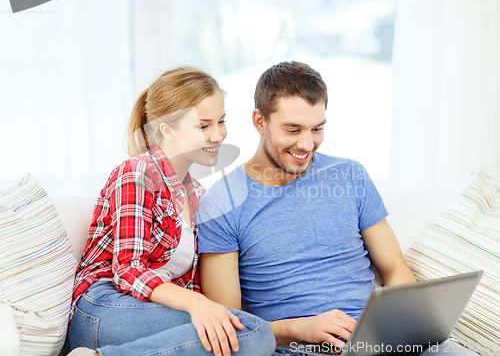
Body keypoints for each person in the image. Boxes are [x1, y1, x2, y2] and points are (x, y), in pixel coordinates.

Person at [196, 61, 477, 355]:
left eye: (317, 128)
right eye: (293, 129)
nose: (306, 144)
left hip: (380, 342)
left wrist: (398, 324)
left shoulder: (350, 175)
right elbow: (229, 325)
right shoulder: (221, 203)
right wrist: (299, 329)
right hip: (298, 349)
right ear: (260, 121)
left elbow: (395, 268)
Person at [66, 67, 276, 356]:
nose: (218, 135)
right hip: (101, 309)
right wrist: (199, 305)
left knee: (241, 333)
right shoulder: (138, 172)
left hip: (150, 316)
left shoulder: (199, 195)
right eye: (204, 126)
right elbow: (127, 271)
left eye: (221, 122)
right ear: (167, 129)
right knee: (251, 331)